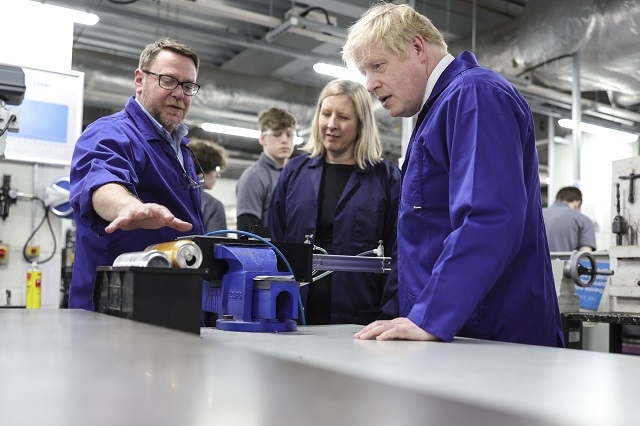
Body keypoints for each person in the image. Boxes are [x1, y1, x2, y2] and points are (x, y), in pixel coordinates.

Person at [342, 3, 564, 347]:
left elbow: (489, 216)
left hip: (492, 338)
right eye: (364, 72)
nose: (370, 84)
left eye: (377, 66)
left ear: (417, 48)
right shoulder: (438, 110)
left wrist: (430, 316)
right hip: (451, 332)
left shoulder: (474, 95)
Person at [69, 38, 205, 310]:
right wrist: (128, 206)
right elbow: (102, 181)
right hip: (115, 309)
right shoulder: (111, 133)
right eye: (168, 80)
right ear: (140, 80)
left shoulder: (182, 150)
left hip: (173, 304)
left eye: (188, 86)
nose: (179, 93)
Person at [269, 79, 401, 325]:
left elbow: (399, 251)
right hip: (295, 311)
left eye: (343, 117)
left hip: (361, 316)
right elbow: (276, 242)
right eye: (326, 114)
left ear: (361, 124)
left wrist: (390, 312)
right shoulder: (295, 172)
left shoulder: (386, 178)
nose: (331, 125)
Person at [235, 107, 296, 232]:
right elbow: (247, 234)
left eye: (289, 134)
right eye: (277, 134)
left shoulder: (297, 175)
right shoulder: (253, 178)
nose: (285, 140)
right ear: (262, 138)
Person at [188, 138, 229, 233]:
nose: (218, 175)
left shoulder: (172, 194)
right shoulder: (213, 206)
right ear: (203, 167)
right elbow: (216, 245)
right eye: (216, 168)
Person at [543, 186, 596, 252]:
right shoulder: (583, 220)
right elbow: (585, 254)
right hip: (566, 262)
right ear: (577, 203)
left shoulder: (537, 215)